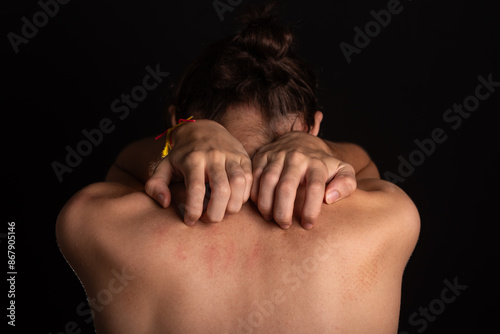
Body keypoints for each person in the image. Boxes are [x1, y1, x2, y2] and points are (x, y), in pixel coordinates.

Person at [56, 4, 420, 333]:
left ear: (175, 124)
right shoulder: (386, 218)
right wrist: (316, 148)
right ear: (314, 126)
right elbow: (362, 165)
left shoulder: (99, 222)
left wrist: (181, 137)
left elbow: (124, 166)